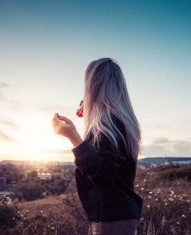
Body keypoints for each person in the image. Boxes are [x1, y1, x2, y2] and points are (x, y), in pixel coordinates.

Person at [52, 58, 143, 235]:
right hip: (118, 216)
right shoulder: (117, 121)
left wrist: (74, 138)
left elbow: (104, 173)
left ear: (93, 87)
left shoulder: (108, 123)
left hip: (112, 219)